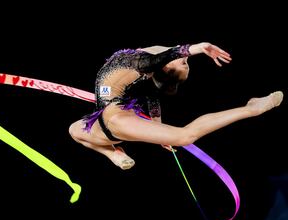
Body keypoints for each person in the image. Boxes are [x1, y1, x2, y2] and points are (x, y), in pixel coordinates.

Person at [68, 42, 284, 170]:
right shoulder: (145, 66)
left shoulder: (142, 63)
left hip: (115, 120)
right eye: (186, 63)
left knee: (184, 136)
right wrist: (157, 128)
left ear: (166, 65)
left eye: (184, 63)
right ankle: (113, 154)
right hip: (104, 122)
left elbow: (163, 59)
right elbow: (153, 97)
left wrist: (195, 48)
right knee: (73, 130)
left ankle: (252, 108)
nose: (185, 60)